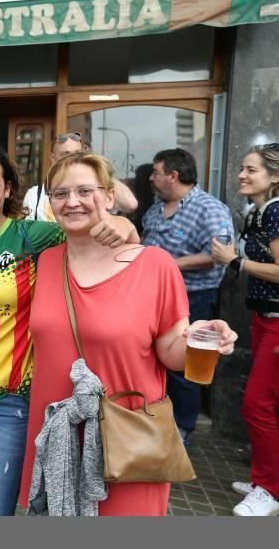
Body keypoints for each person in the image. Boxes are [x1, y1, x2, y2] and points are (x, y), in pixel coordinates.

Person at [20, 152, 236, 516]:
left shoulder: (154, 265)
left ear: (108, 198)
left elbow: (171, 352)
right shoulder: (47, 260)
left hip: (128, 440)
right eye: (60, 194)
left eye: (85, 190)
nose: (72, 202)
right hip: (58, 437)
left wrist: (203, 339)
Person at [0, 144, 137, 516]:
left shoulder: (35, 236)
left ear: (9, 189)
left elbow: (89, 231)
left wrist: (122, 223)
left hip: (8, 401)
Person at [142, 148, 235, 444]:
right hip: (152, 296)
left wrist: (167, 265)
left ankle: (182, 430)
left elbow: (219, 254)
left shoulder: (210, 208)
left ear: (173, 175)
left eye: (156, 173)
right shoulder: (155, 208)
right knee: (154, 358)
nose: (152, 179)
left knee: (185, 366)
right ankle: (155, 421)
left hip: (193, 297)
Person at [211, 143, 279, 516]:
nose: (241, 174)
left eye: (251, 170)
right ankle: (265, 478)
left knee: (258, 405)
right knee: (265, 404)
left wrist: (235, 260)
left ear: (275, 176)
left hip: (276, 323)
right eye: (242, 168)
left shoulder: (276, 212)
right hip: (263, 318)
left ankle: (269, 491)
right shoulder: (262, 211)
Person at [22, 132, 137, 221]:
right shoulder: (35, 195)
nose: (73, 160)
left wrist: (97, 169)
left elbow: (130, 204)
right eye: (66, 155)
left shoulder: (97, 189)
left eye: (77, 154)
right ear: (53, 159)